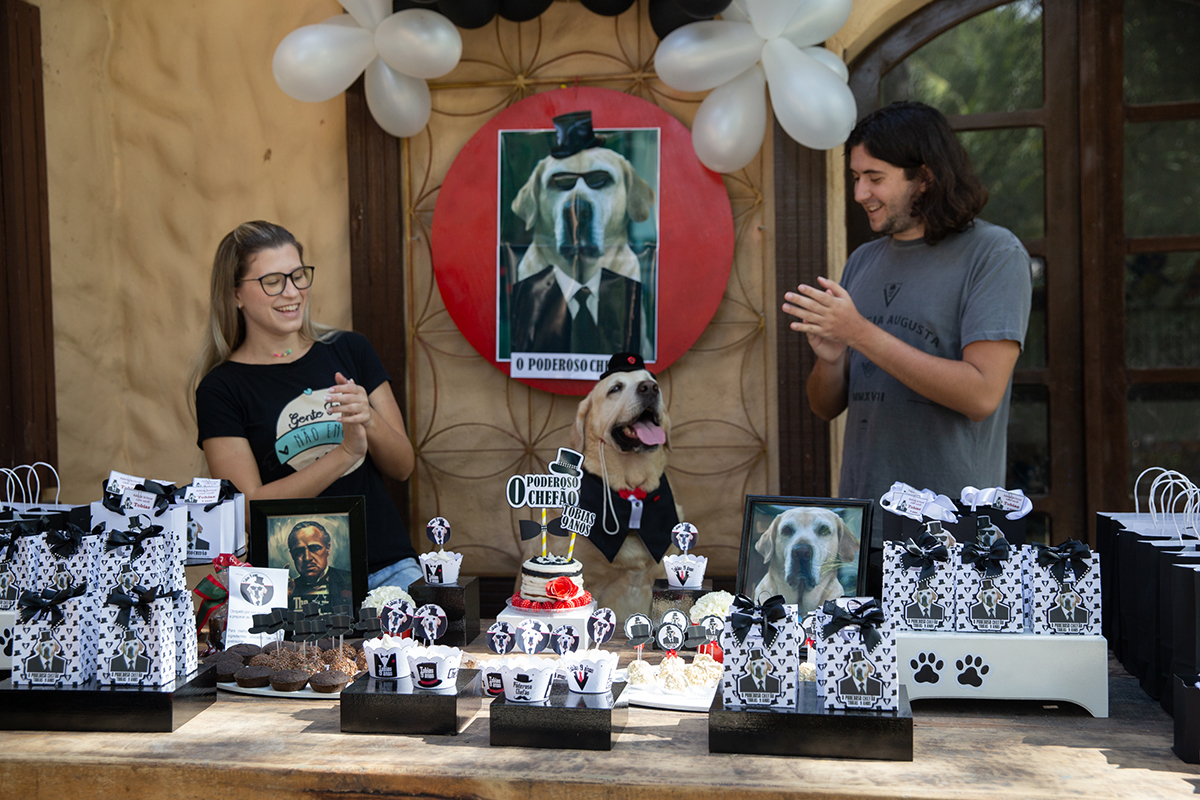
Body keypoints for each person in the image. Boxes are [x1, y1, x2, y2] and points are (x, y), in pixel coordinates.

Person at [782, 102, 1031, 546]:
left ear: (925, 178)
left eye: (875, 178)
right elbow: (825, 406)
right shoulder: (863, 261)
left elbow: (981, 394)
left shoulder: (994, 254)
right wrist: (831, 359)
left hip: (950, 536)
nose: (860, 193)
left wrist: (859, 333)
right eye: (855, 177)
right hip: (860, 531)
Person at [191, 221, 421, 593]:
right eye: (272, 281)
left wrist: (370, 420)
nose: (292, 292)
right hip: (294, 587)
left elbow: (403, 466)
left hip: (388, 569)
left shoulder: (351, 350)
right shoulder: (221, 388)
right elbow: (249, 511)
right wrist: (345, 453)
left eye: (298, 276)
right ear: (235, 294)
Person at [286, 520, 352, 612]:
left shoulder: (349, 580)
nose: (307, 558)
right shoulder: (287, 591)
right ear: (292, 555)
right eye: (299, 551)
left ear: (328, 548)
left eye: (315, 548)